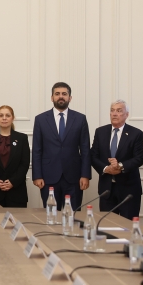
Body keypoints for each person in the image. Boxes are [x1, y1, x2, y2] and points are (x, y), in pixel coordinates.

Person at [31, 82, 91, 210]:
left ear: (70, 97)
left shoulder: (80, 119)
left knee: (73, 216)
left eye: (64, 94)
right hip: (48, 177)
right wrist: (37, 175)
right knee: (51, 216)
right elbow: (37, 150)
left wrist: (85, 175)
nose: (61, 97)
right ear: (52, 97)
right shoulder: (41, 119)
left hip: (74, 177)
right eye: (57, 94)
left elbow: (85, 150)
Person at [90, 100, 143, 219]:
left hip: (128, 190)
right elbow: (93, 156)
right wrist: (106, 169)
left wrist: (120, 166)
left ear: (127, 114)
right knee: (107, 226)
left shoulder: (136, 133)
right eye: (112, 110)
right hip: (106, 189)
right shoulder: (100, 132)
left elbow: (139, 158)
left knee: (128, 228)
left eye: (119, 111)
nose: (114, 114)